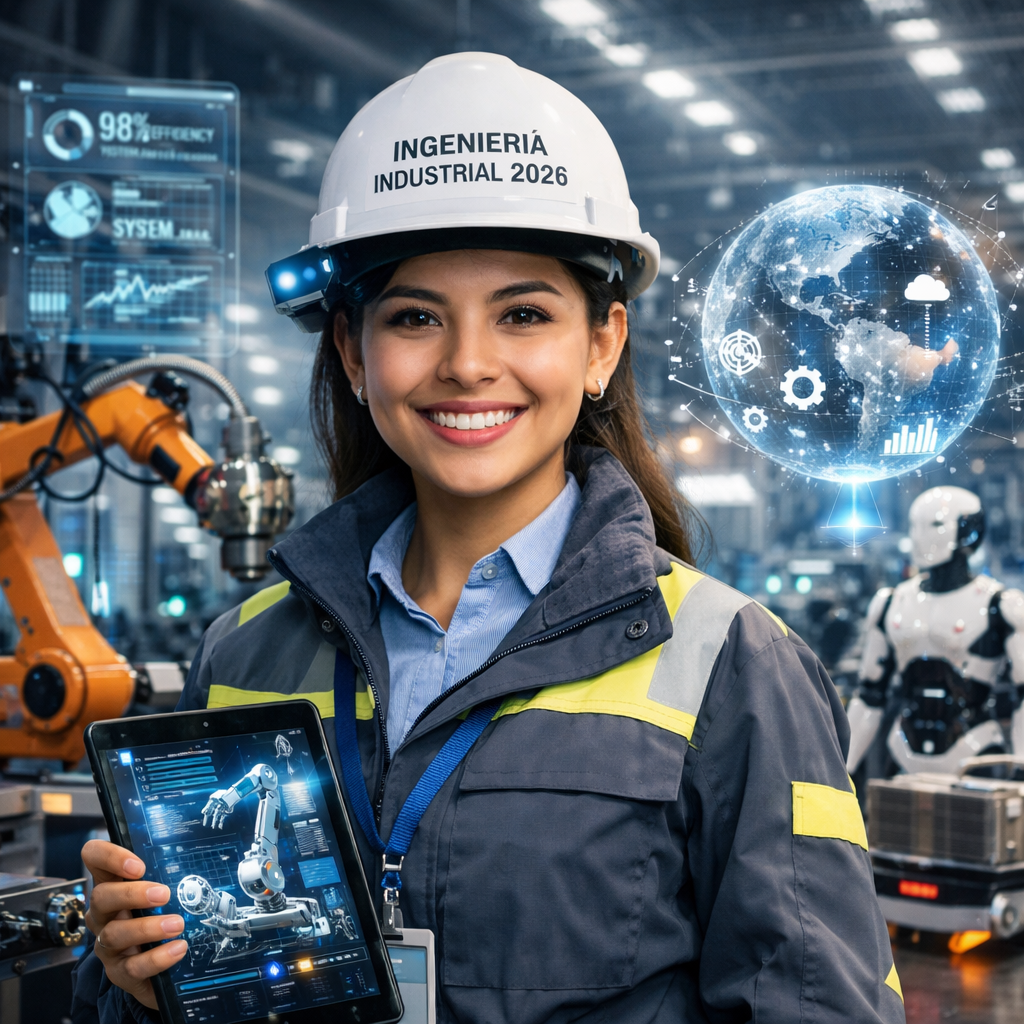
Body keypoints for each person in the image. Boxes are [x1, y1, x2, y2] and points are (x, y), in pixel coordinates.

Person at [73, 52, 904, 1024]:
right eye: (415, 316)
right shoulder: (247, 647)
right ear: (350, 350)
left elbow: (819, 1005)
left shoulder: (731, 662)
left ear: (601, 345)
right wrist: (133, 980)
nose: (468, 364)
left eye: (522, 314)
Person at [847, 485, 1024, 777]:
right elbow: (869, 696)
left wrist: (1020, 769)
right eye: (914, 526)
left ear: (968, 531)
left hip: (975, 756)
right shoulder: (891, 602)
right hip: (903, 755)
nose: (919, 536)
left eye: (936, 525)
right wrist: (842, 769)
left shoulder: (1001, 605)